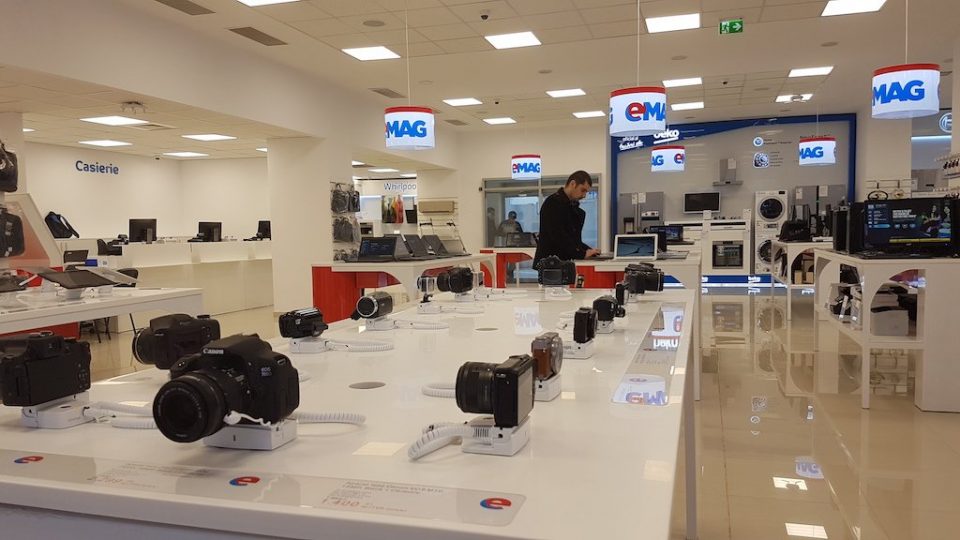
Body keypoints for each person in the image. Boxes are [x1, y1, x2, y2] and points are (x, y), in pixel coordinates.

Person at [533, 170, 599, 269]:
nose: (584, 195)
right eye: (583, 190)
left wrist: (589, 251)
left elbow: (573, 240)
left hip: (562, 262)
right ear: (573, 184)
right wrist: (581, 254)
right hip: (550, 264)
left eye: (586, 192)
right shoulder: (553, 203)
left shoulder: (572, 207)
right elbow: (558, 237)